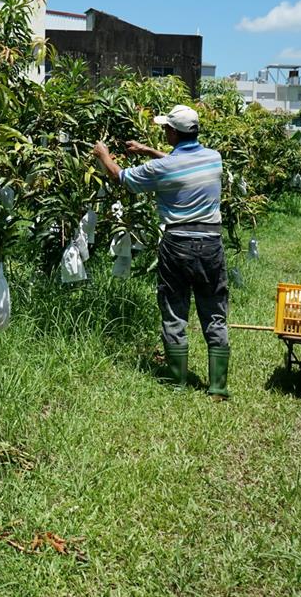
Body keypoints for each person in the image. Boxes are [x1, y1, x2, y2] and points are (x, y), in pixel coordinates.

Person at [92, 104, 230, 399]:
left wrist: (104, 156)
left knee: (174, 309)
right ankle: (218, 386)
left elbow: (122, 178)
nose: (163, 131)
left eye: (165, 128)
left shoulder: (163, 168)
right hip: (211, 244)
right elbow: (181, 168)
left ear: (173, 132)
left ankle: (178, 380)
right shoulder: (213, 159)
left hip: (177, 243)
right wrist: (146, 150)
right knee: (214, 310)